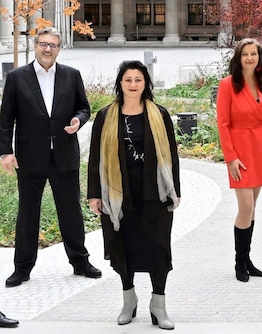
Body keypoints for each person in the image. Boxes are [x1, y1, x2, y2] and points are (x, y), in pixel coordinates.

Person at [0, 27, 101, 288]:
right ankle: (22, 268)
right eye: (44, 44)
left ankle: (80, 262)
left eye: (53, 45)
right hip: (30, 156)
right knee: (27, 214)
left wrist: (78, 120)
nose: (48, 49)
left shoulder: (71, 75)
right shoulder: (16, 78)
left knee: (71, 212)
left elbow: (84, 107)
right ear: (35, 46)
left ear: (59, 49)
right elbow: (5, 119)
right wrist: (6, 152)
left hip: (64, 154)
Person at [87, 60, 180, 329]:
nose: (133, 85)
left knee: (158, 249)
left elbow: (172, 155)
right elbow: (95, 157)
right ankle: (129, 300)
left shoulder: (159, 114)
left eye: (138, 80)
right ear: (120, 83)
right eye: (128, 80)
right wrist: (95, 194)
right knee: (123, 247)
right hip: (119, 196)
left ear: (145, 84)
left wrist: (176, 190)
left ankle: (158, 305)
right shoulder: (106, 116)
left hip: (156, 195)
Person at [217, 38, 262, 282]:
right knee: (245, 208)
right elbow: (222, 123)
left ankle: (247, 258)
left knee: (252, 208)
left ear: (259, 57)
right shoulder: (227, 85)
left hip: (259, 146)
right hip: (239, 148)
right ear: (238, 57)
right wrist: (230, 157)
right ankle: (238, 263)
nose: (250, 58)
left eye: (254, 54)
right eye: (245, 54)